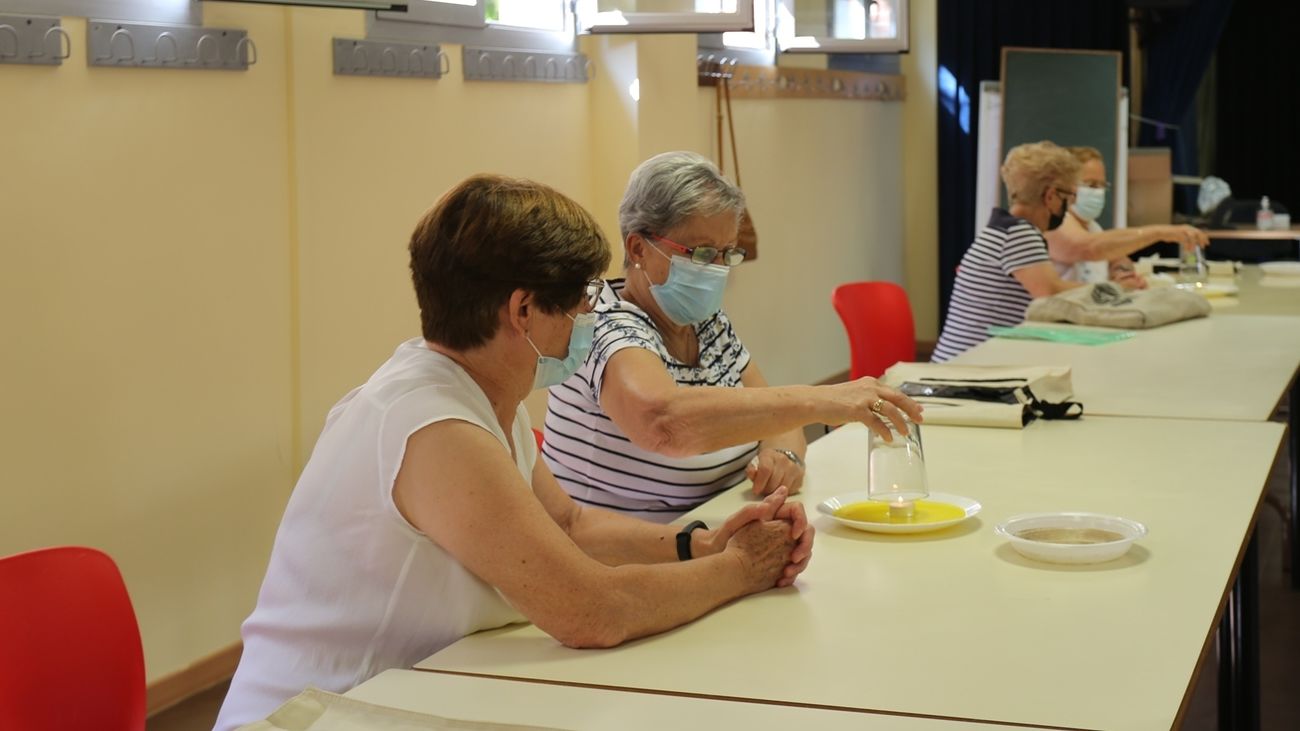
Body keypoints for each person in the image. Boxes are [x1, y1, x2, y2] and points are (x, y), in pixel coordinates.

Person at [213, 174, 815, 730]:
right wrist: (740, 568)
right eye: (580, 300)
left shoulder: (469, 389)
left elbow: (570, 524)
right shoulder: (433, 424)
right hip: (317, 716)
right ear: (523, 310)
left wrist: (700, 544)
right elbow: (591, 612)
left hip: (403, 697)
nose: (590, 314)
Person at [542, 151, 924, 522]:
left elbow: (777, 416)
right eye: (702, 253)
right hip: (628, 557)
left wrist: (784, 458)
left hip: (714, 531)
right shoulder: (601, 323)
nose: (717, 270)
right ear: (638, 247)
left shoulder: (704, 322)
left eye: (727, 254)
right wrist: (824, 400)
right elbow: (665, 422)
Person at [932, 141, 1087, 362]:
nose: (1069, 206)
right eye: (1068, 198)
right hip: (964, 370)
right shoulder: (1018, 234)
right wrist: (1110, 290)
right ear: (1051, 196)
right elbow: (1051, 293)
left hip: (963, 364)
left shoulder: (1004, 229)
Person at [1044, 145, 1209, 289]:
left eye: (1102, 186)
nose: (1098, 193)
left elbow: (1117, 257)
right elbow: (1089, 248)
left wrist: (1122, 273)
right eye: (1091, 185)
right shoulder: (1054, 222)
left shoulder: (1091, 226)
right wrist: (1160, 233)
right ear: (1064, 185)